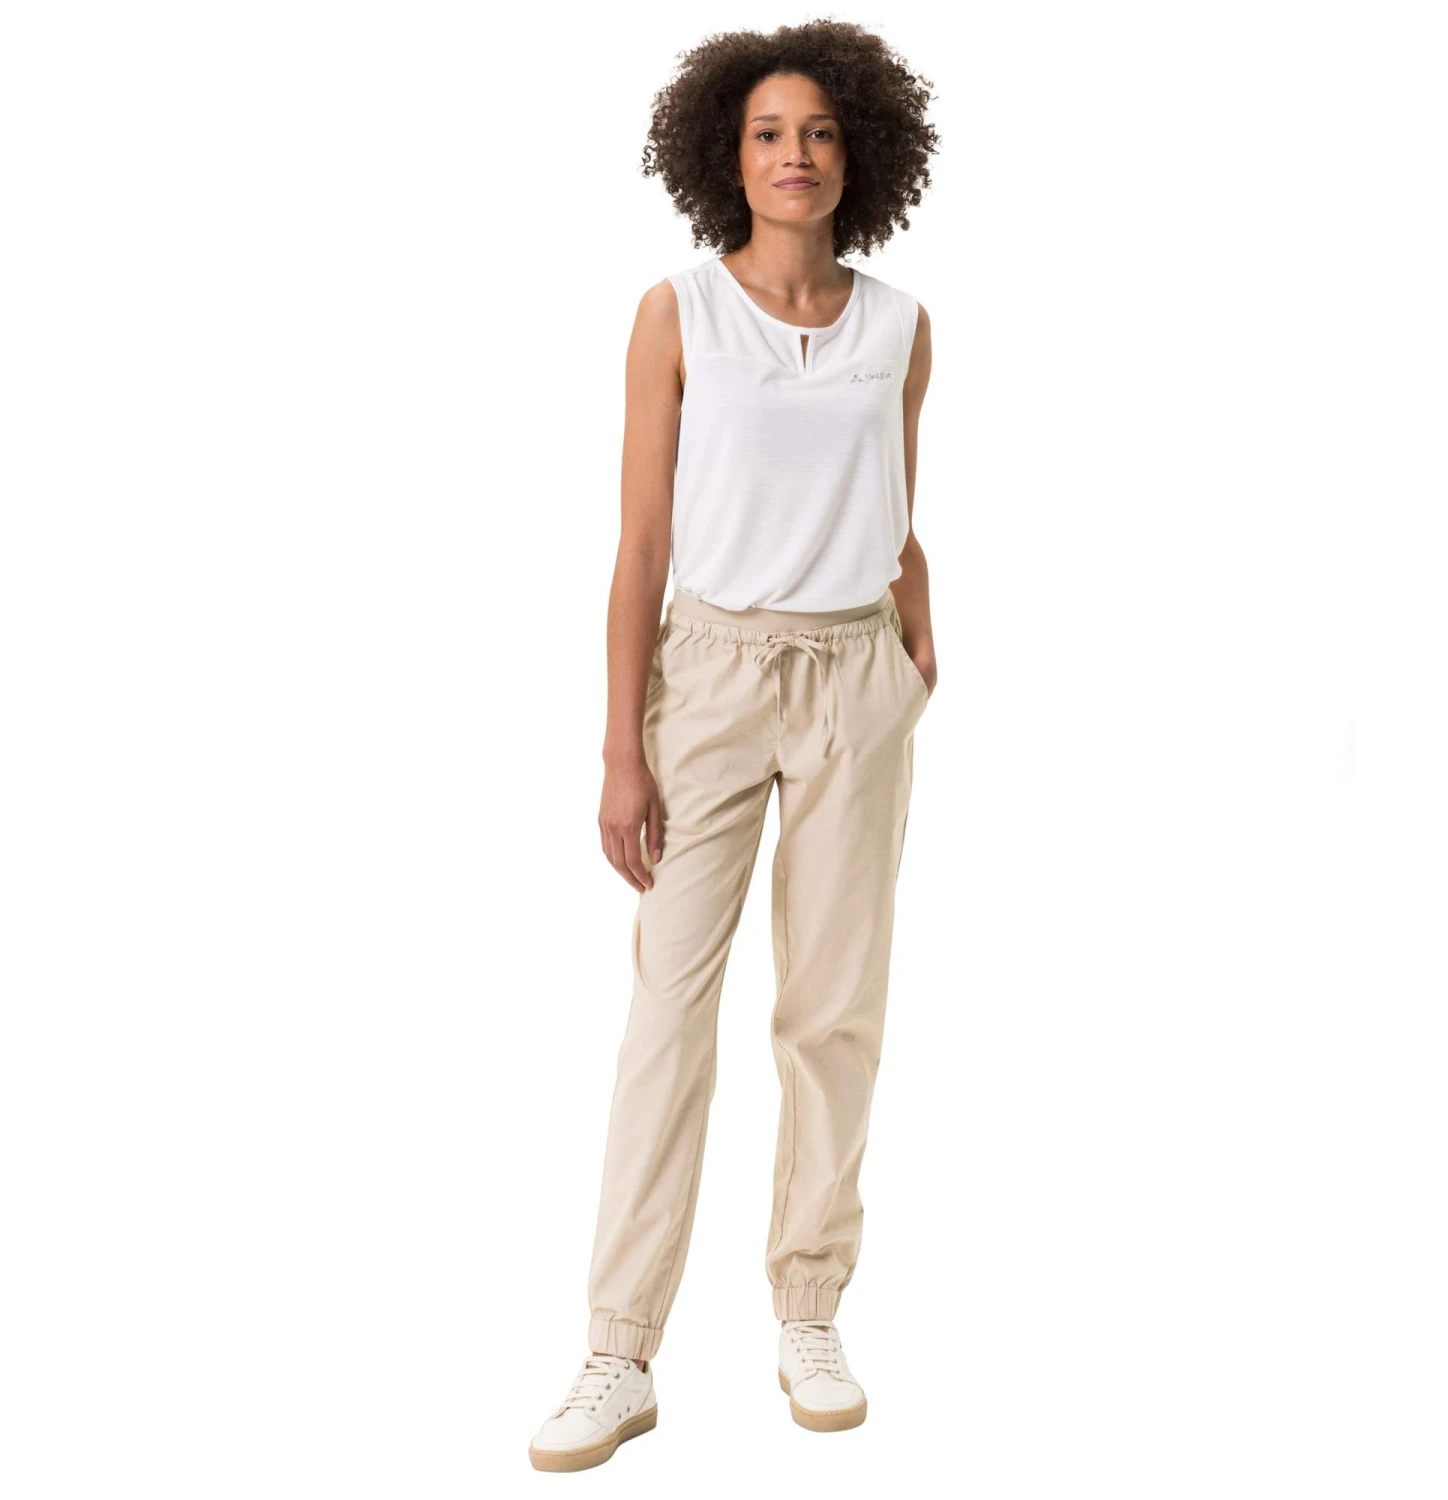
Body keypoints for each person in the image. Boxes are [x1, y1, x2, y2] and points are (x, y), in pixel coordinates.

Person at [529, 20, 940, 1473]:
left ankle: (809, 1310)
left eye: (820, 131)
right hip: (705, 677)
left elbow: (896, 502)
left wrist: (915, 634)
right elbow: (642, 541)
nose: (795, 155)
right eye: (769, 133)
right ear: (728, 154)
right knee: (669, 1014)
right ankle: (619, 1347)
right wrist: (619, 748)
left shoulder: (901, 325)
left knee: (832, 1011)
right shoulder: (680, 315)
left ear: (859, 152)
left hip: (854, 682)